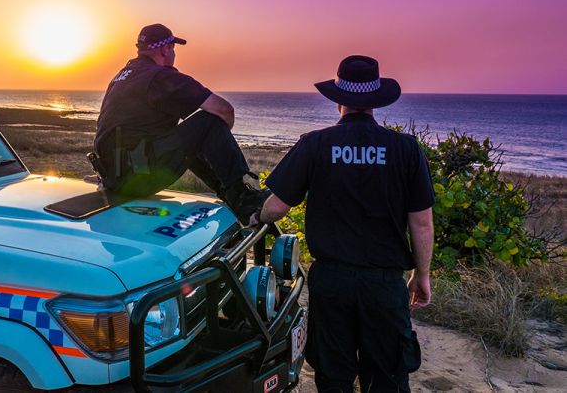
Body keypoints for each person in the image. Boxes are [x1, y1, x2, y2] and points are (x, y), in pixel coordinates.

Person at [251, 55, 435, 392]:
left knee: (334, 375)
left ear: (339, 100)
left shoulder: (316, 143)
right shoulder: (406, 149)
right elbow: (421, 223)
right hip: (384, 283)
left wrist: (253, 215)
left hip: (331, 280)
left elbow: (276, 207)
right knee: (388, 378)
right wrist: (420, 276)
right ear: (375, 102)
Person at [90, 23, 268, 221]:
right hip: (138, 177)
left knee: (189, 137)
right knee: (208, 121)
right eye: (173, 48)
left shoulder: (121, 77)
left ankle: (228, 194)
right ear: (164, 49)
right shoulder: (160, 76)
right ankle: (243, 198)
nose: (174, 54)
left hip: (115, 177)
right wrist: (217, 141)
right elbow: (224, 110)